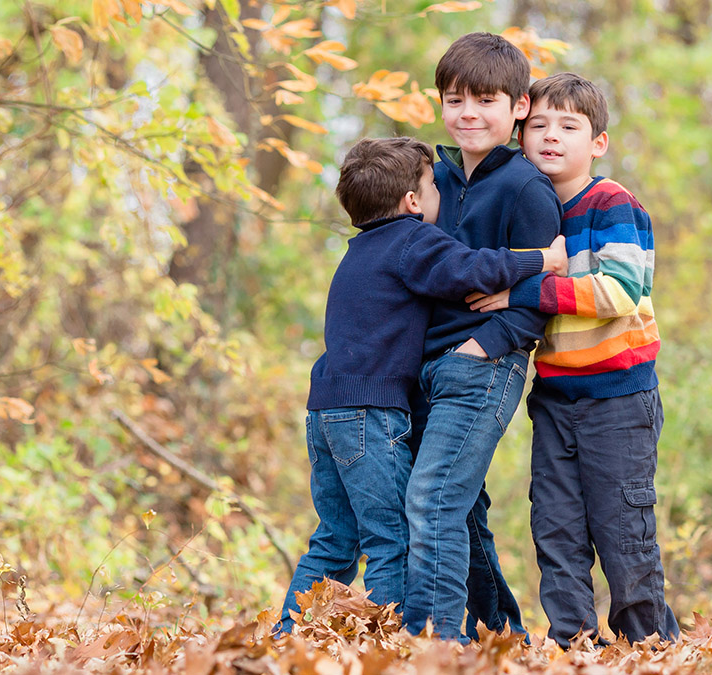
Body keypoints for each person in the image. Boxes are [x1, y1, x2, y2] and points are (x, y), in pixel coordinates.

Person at [274, 136, 566, 636]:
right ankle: (390, 645)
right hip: (371, 413)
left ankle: (287, 636)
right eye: (433, 187)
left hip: (325, 411)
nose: (439, 196)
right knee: (391, 539)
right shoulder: (412, 241)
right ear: (412, 202)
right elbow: (472, 269)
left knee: (335, 538)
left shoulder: (356, 252)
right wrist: (542, 259)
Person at [468, 72, 680, 646]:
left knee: (622, 530)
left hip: (619, 397)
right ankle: (573, 646)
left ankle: (651, 646)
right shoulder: (531, 210)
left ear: (598, 143)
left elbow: (619, 293)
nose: (551, 137)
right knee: (555, 529)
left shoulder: (611, 204)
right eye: (537, 126)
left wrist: (524, 291)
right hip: (557, 400)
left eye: (569, 126)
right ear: (520, 133)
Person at [402, 32, 564, 641]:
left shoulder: (525, 187)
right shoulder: (433, 175)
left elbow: (546, 287)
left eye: (486, 100)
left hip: (481, 366)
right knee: (459, 511)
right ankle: (500, 633)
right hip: (423, 363)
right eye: (455, 99)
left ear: (519, 106)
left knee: (433, 500)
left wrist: (484, 346)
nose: (468, 113)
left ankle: (436, 641)